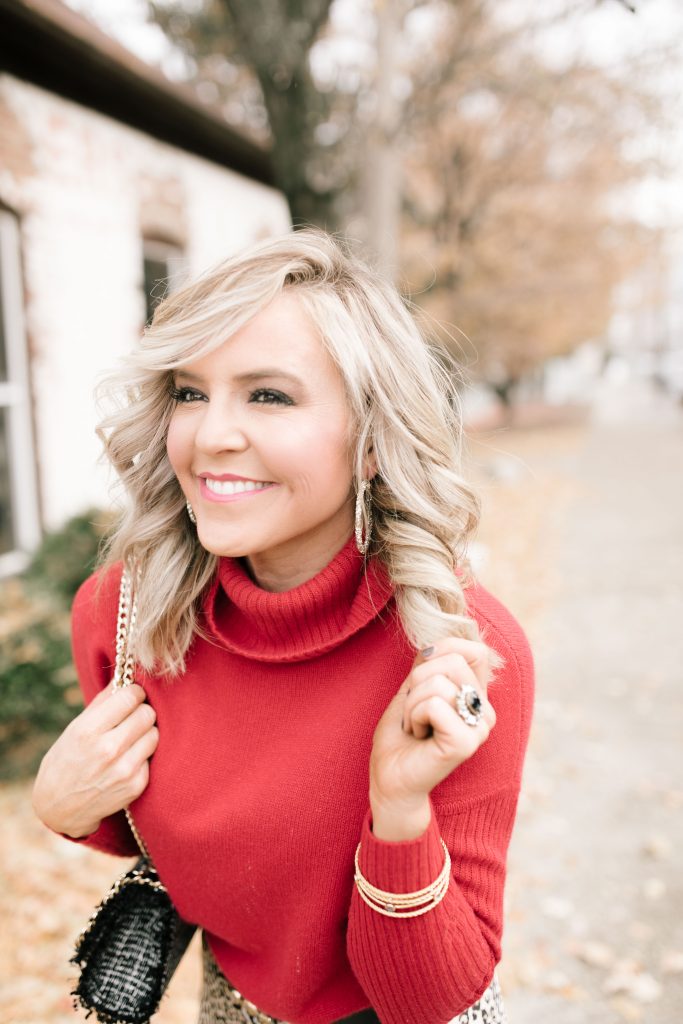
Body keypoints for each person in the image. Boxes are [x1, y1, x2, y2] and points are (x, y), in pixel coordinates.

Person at [32, 228, 534, 1024]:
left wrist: (398, 808)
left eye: (268, 395)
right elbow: (181, 834)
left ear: (371, 442)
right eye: (189, 392)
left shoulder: (457, 652)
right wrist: (68, 811)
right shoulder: (125, 613)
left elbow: (435, 1004)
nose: (209, 436)